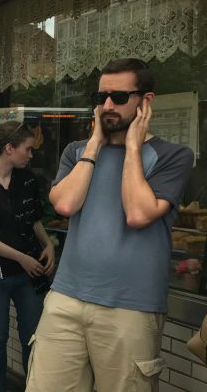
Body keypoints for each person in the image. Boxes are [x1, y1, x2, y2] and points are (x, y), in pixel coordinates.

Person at [27, 58, 194, 391]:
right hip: (66, 299)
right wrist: (94, 144)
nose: (106, 106)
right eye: (100, 98)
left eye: (119, 98)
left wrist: (133, 146)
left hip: (130, 307)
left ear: (146, 101)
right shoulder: (76, 152)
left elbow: (137, 213)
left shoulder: (174, 155)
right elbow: (64, 203)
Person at [0, 121, 55, 392]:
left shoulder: (28, 179)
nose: (31, 154)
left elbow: (34, 219)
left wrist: (48, 245)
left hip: (30, 272)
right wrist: (21, 258)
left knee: (33, 335)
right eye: (27, 148)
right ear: (9, 148)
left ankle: (33, 386)